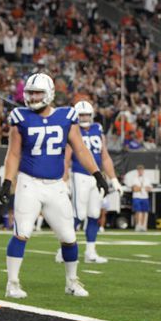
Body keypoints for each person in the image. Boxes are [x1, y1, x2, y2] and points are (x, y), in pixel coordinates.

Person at [0, 73, 108, 299]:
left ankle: (71, 282)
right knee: (23, 232)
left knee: (69, 236)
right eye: (30, 92)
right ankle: (12, 283)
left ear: (49, 93)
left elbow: (80, 149)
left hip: (56, 185)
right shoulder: (20, 116)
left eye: (37, 92)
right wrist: (8, 181)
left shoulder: (66, 116)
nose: (33, 97)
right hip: (29, 183)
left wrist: (97, 174)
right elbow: (14, 153)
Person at [55, 101, 122, 264]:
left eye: (86, 115)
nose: (84, 118)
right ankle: (62, 250)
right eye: (81, 115)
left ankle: (90, 252)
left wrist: (113, 179)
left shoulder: (97, 129)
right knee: (79, 214)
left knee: (94, 214)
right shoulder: (73, 130)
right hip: (80, 176)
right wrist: (64, 179)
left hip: (96, 177)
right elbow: (66, 158)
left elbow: (104, 156)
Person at [131, 164, 152, 231]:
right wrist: (143, 188)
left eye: (141, 170)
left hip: (145, 197)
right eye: (139, 170)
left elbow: (149, 188)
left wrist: (140, 188)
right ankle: (138, 225)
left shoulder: (147, 179)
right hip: (137, 197)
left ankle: (144, 225)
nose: (140, 171)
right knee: (138, 211)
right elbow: (134, 189)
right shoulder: (134, 178)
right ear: (137, 171)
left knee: (145, 212)